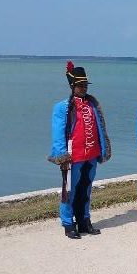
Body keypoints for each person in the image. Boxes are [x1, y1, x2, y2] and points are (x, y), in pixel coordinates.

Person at [48, 61, 111, 239]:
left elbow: (100, 127)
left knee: (86, 188)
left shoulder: (92, 104)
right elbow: (58, 133)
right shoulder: (62, 107)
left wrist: (102, 149)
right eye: (80, 85)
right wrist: (62, 156)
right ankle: (68, 223)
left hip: (91, 154)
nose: (83, 88)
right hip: (72, 156)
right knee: (69, 190)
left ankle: (84, 220)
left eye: (85, 85)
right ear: (72, 85)